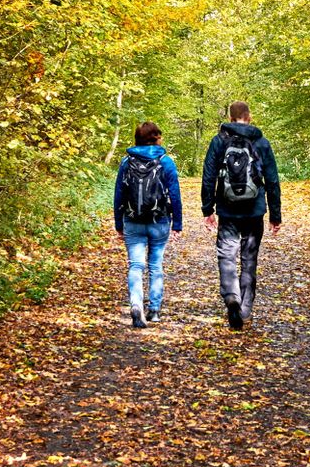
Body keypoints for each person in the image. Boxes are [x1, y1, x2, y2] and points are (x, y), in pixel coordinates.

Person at [201, 101, 283, 329]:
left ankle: (231, 298)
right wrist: (275, 215)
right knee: (249, 259)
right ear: (249, 116)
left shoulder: (219, 141)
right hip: (254, 210)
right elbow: (272, 180)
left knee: (226, 255)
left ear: (230, 117)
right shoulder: (261, 142)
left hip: (227, 209)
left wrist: (208, 209)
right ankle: (245, 309)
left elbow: (208, 176)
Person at [112, 121, 184, 329]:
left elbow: (119, 194)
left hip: (132, 220)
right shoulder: (165, 162)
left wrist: (119, 223)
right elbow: (175, 194)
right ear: (156, 138)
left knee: (135, 265)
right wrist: (177, 224)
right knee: (155, 265)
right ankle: (154, 310)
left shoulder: (126, 162)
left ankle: (136, 305)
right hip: (159, 221)